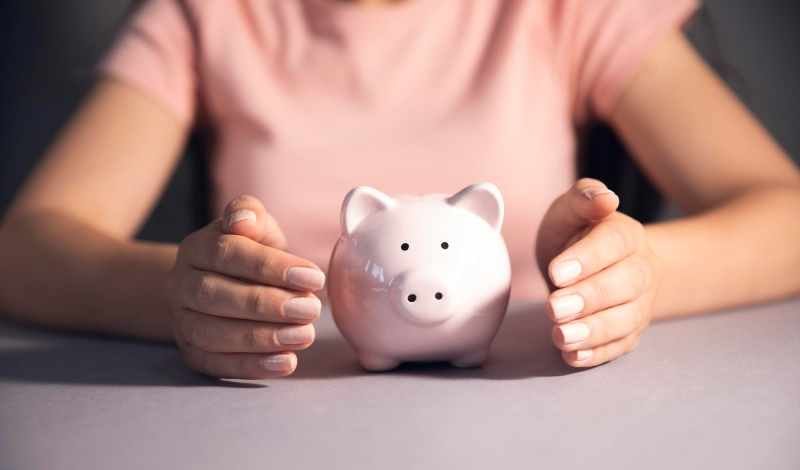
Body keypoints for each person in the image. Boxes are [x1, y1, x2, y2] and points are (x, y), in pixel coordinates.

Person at [1, 0, 798, 379]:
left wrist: (638, 272)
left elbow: (787, 215)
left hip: (528, 409)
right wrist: (182, 293)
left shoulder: (566, 9)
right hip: (277, 416)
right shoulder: (209, 17)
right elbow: (26, 247)